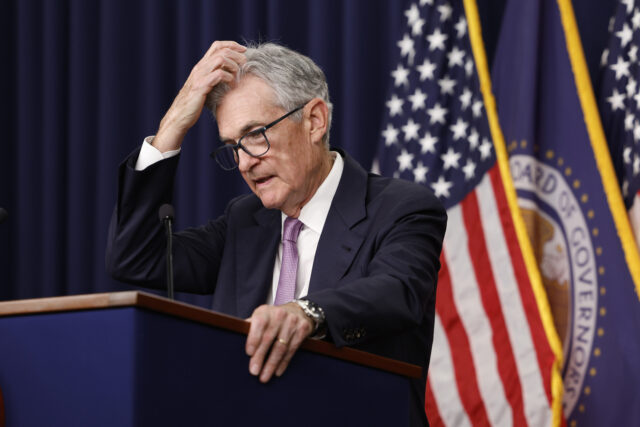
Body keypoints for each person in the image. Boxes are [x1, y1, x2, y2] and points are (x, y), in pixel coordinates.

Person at [106, 40, 446, 426]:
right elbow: (135, 258)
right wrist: (172, 126)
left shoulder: (401, 207)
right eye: (232, 147)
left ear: (315, 120)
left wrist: (306, 313)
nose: (245, 163)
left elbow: (396, 291)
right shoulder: (245, 221)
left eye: (255, 134)